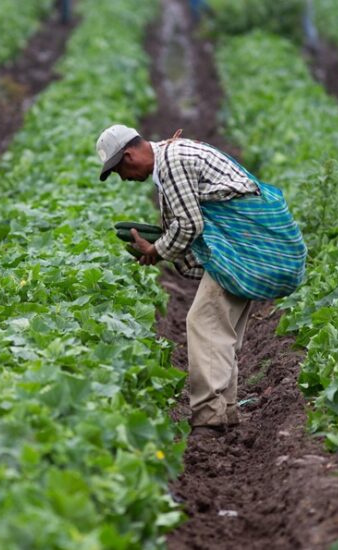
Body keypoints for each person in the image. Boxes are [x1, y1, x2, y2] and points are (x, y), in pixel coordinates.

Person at [95, 124, 306, 439]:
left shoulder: (172, 163)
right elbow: (189, 221)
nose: (123, 178)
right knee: (221, 330)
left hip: (241, 250)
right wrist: (163, 245)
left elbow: (190, 224)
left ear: (128, 154)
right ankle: (225, 411)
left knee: (203, 323)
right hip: (241, 248)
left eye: (119, 170)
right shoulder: (172, 156)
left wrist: (157, 249)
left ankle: (209, 418)